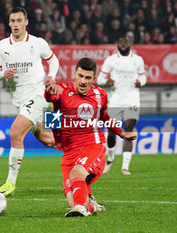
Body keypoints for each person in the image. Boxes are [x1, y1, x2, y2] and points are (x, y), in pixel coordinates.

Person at [45, 58, 137, 217]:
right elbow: (49, 98)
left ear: (94, 79)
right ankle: (90, 205)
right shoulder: (62, 91)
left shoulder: (100, 94)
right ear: (74, 74)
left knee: (77, 173)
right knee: (71, 200)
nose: (83, 81)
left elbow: (103, 116)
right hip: (69, 152)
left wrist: (120, 132)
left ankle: (80, 209)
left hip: (93, 145)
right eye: (80, 76)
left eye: (88, 78)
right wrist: (49, 89)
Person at [0, 7, 59, 196]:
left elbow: (53, 61)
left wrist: (51, 77)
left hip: (37, 96)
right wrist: (3, 74)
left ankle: (10, 183)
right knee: (47, 140)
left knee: (15, 133)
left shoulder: (37, 43)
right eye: (12, 21)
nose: (15, 24)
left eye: (19, 20)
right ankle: (77, 148)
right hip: (20, 101)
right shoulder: (2, 46)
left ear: (26, 22)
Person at [97, 37, 147, 175]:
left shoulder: (138, 60)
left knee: (129, 129)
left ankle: (125, 167)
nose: (123, 45)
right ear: (117, 45)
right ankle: (110, 158)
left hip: (132, 99)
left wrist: (140, 83)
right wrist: (107, 81)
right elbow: (100, 78)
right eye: (121, 42)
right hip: (115, 100)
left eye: (125, 42)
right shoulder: (111, 60)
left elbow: (143, 77)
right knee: (112, 132)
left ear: (130, 44)